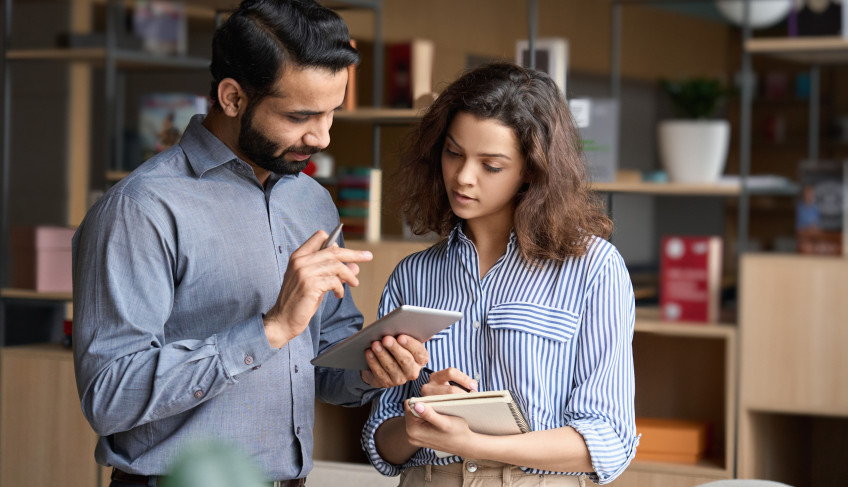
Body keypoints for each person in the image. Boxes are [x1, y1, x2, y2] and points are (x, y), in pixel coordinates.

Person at [71, 1, 428, 485]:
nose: (322, 137)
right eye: (301, 115)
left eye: (331, 113)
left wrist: (372, 368)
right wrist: (270, 329)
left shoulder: (313, 203)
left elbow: (322, 364)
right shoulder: (141, 210)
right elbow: (109, 399)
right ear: (233, 97)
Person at [361, 63, 639, 486]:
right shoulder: (412, 276)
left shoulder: (594, 269)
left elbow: (606, 440)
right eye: (453, 153)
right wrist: (418, 416)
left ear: (532, 169)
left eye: (490, 165)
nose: (463, 177)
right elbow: (383, 446)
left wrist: (472, 442)